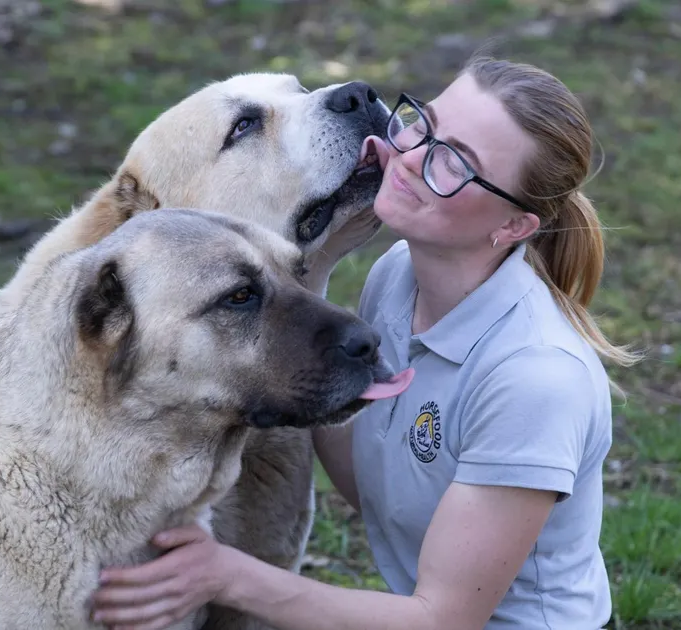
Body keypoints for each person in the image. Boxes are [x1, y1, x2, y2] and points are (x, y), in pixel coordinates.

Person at [87, 55, 641, 630]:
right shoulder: (397, 278)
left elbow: (441, 620)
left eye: (452, 162)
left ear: (513, 228)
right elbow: (379, 493)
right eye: (422, 124)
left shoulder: (536, 379)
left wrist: (225, 575)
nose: (410, 155)